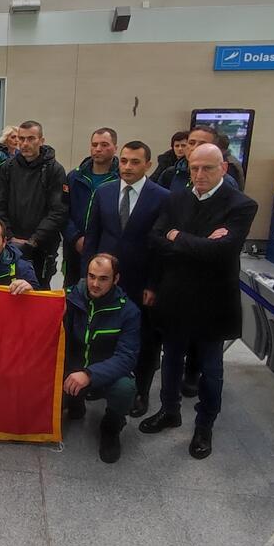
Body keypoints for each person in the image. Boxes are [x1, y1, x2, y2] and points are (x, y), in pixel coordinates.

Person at [140, 143, 258, 460]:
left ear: (223, 168)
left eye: (207, 168)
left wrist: (178, 237)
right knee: (172, 359)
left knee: (211, 368)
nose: (199, 174)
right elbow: (155, 239)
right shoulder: (176, 198)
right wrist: (200, 243)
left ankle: (204, 426)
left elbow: (223, 252)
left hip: (213, 301)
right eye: (194, 168)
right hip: (176, 294)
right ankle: (169, 410)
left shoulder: (241, 205)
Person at [82, 141, 170, 417]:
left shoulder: (162, 197)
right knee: (103, 331)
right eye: (124, 161)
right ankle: (100, 380)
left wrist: (154, 284)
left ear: (148, 165)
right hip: (104, 279)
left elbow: (161, 248)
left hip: (141, 281)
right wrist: (87, 278)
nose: (127, 167)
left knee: (144, 339)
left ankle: (140, 391)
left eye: (134, 162)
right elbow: (92, 235)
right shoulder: (104, 192)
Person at [63, 254, 140, 463]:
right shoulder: (69, 298)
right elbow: (40, 310)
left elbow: (126, 358)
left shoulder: (128, 311)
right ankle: (74, 401)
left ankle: (110, 429)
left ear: (116, 279)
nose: (95, 284)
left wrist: (89, 374)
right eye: (91, 276)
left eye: (103, 278)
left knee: (125, 388)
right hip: (71, 368)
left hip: (103, 374)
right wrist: (24, 286)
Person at [0, 120, 67, 289]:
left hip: (42, 248)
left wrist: (34, 241)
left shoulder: (54, 170)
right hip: (11, 246)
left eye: (31, 139)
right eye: (21, 139)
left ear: (41, 140)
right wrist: (10, 237)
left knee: (37, 294)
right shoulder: (8, 167)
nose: (25, 144)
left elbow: (58, 211)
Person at [64, 127, 120, 288]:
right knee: (72, 293)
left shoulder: (119, 179)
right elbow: (63, 211)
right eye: (94, 144)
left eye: (104, 145)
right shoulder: (74, 177)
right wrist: (75, 238)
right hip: (75, 249)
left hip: (106, 249)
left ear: (115, 148)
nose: (98, 149)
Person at [158, 125, 238, 193]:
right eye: (191, 143)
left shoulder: (225, 181)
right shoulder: (170, 174)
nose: (195, 148)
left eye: (202, 144)